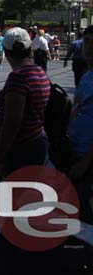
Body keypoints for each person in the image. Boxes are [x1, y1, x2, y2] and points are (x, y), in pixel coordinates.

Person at [0, 27, 51, 179]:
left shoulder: (18, 77)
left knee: (15, 198)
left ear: (6, 52)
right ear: (30, 48)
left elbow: (12, 122)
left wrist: (0, 157)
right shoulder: (39, 72)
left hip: (21, 147)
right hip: (35, 141)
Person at [67, 35, 93, 223]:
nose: (89, 48)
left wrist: (85, 161)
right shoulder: (86, 76)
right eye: (87, 43)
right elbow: (77, 107)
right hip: (75, 150)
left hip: (88, 157)